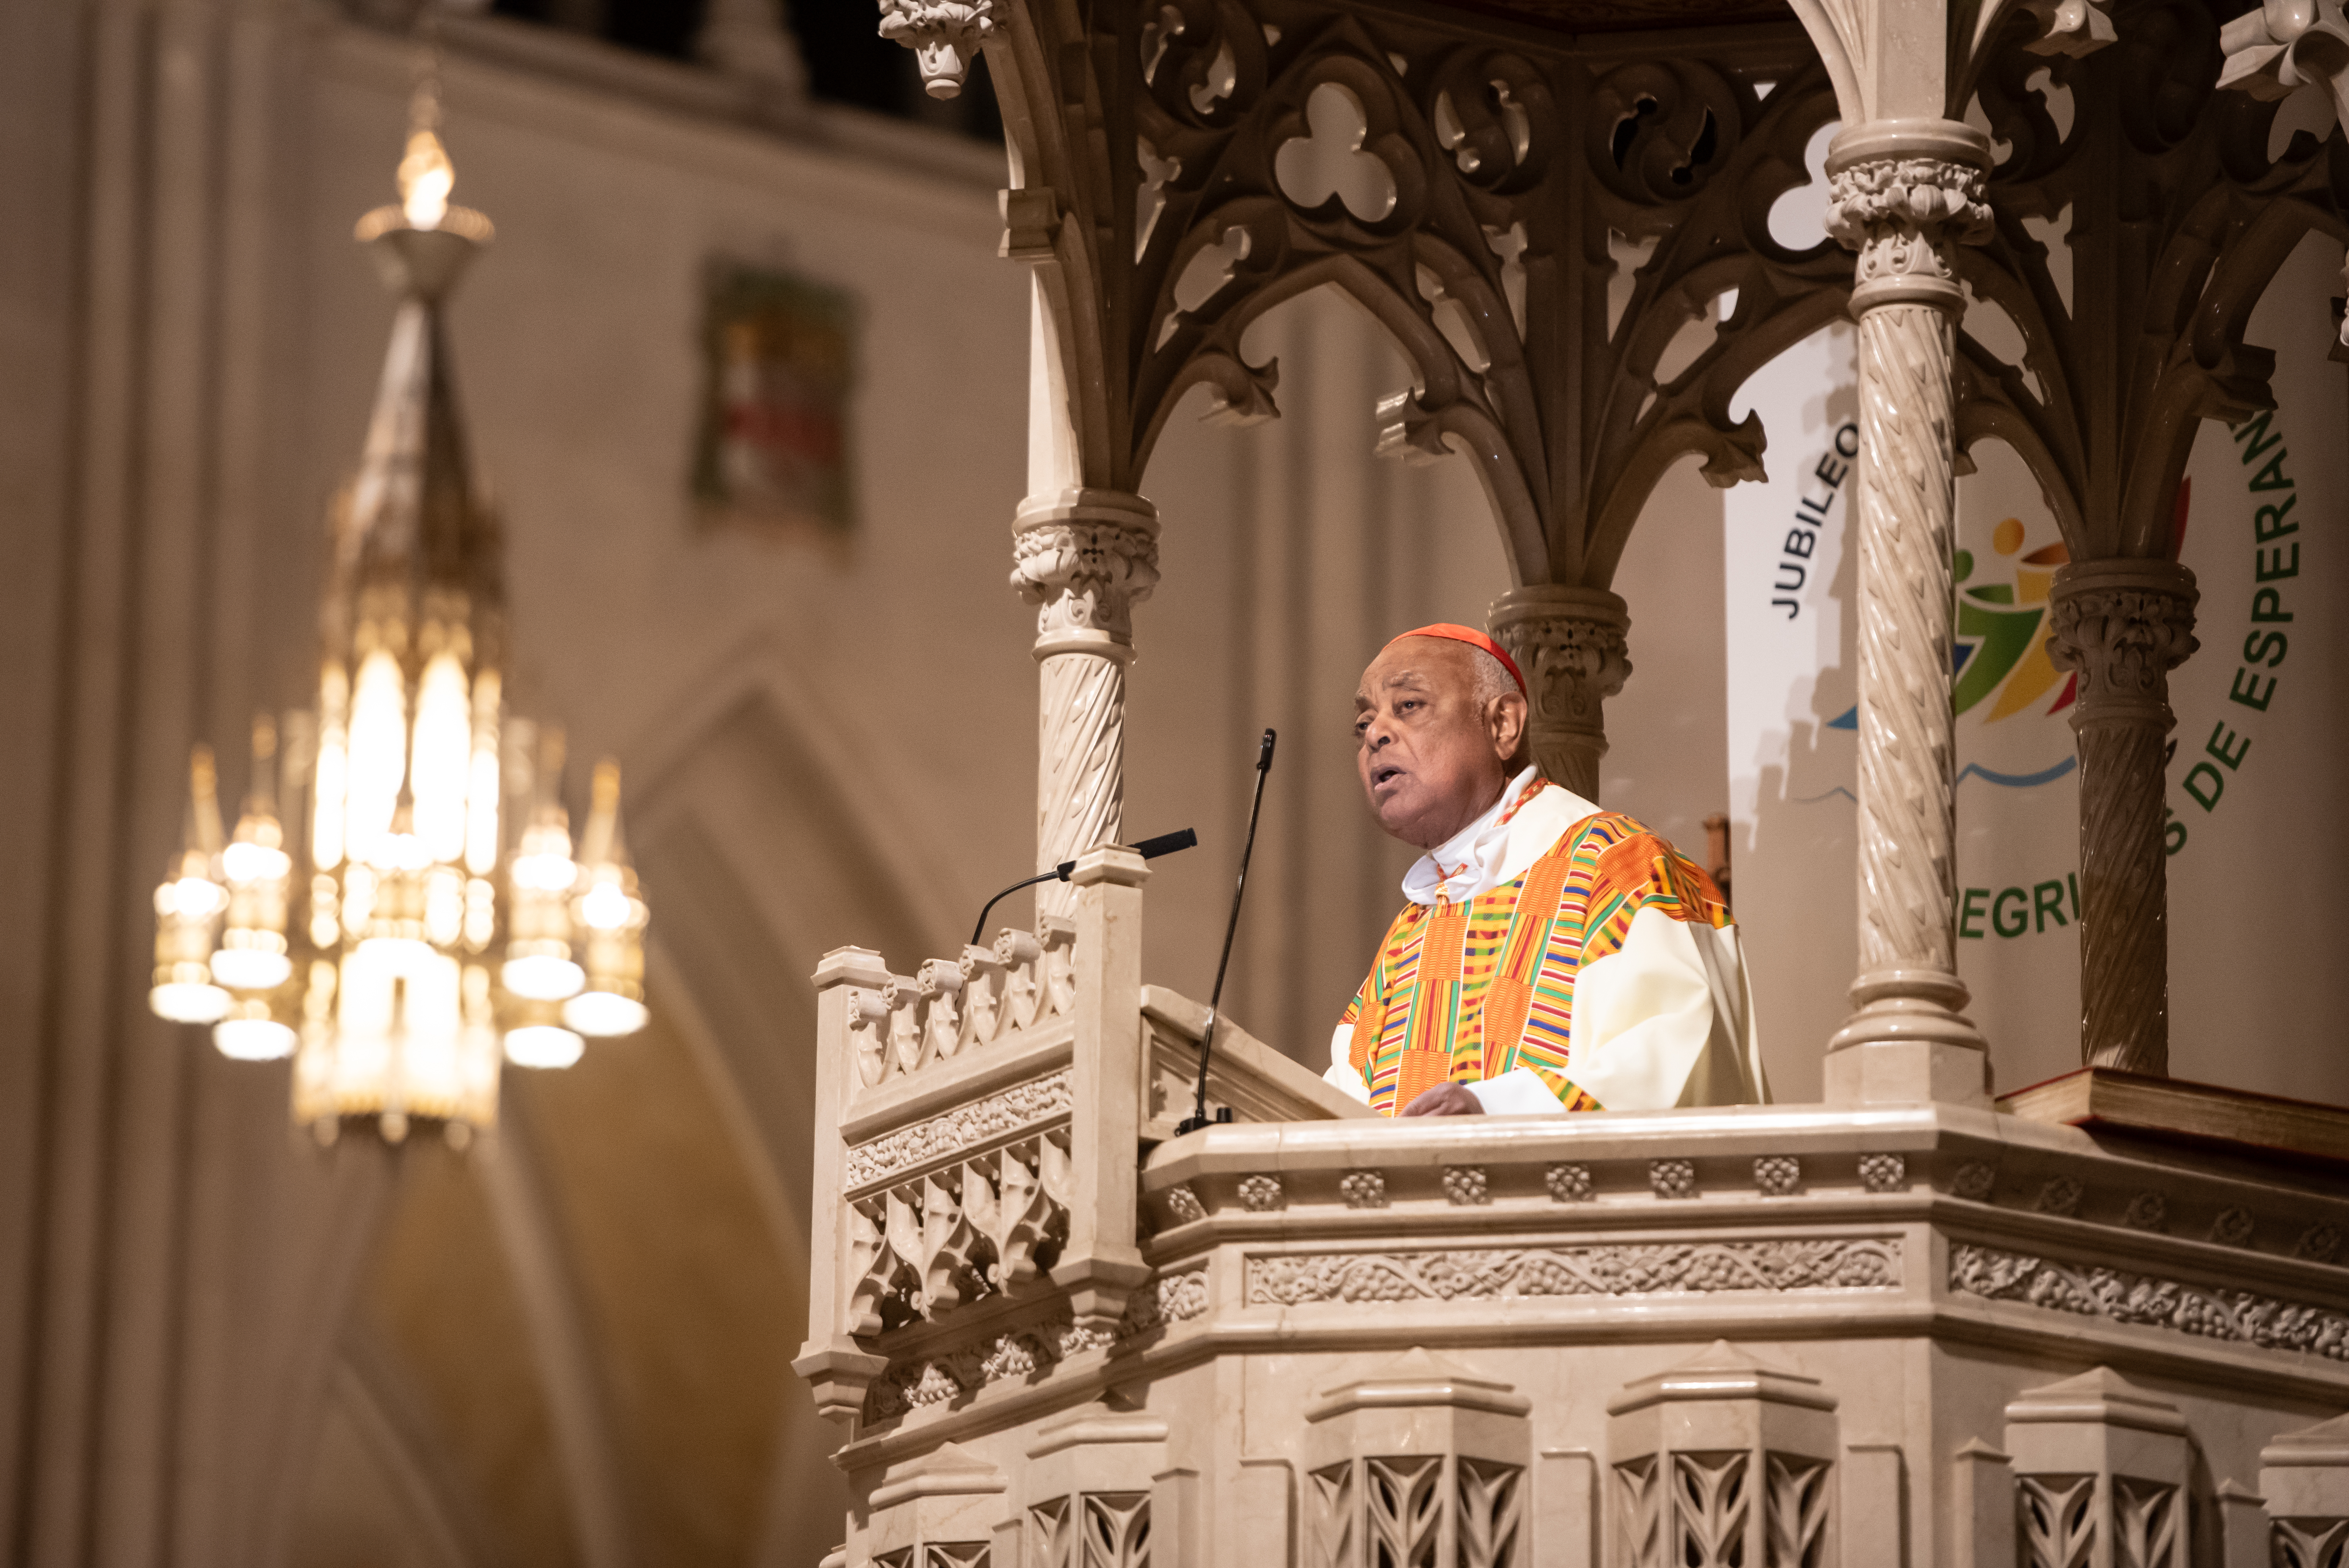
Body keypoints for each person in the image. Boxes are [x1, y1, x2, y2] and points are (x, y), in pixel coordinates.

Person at [1326, 624, 1766, 1117]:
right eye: (1363, 724)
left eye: (1408, 705)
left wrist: (1491, 1110)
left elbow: (1680, 1058)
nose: (1376, 734)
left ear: (1502, 726)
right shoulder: (1409, 933)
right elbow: (1337, 1108)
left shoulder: (1620, 868)